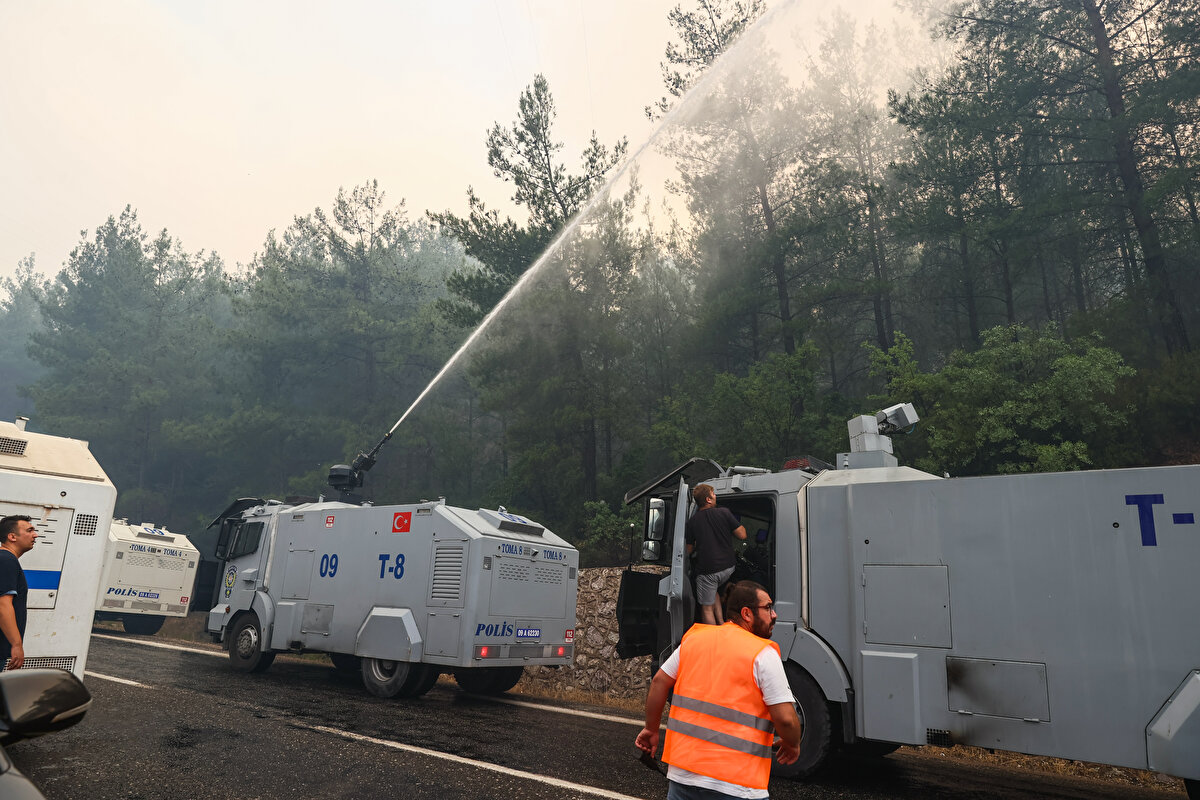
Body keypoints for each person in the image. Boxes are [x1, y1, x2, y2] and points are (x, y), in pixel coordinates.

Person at [635, 581, 802, 800]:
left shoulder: (694, 639)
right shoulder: (762, 654)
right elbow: (787, 720)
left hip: (683, 778)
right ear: (747, 614)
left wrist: (652, 729)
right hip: (737, 786)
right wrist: (792, 743)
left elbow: (658, 682)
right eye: (768, 607)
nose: (774, 614)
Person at [685, 483, 746, 624]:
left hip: (709, 571)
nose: (715, 496)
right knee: (713, 591)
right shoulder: (724, 512)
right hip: (728, 568)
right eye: (713, 494)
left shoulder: (692, 522)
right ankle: (721, 623)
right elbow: (742, 535)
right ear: (708, 499)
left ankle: (714, 636)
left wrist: (697, 543)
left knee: (706, 609)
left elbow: (688, 551)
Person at [0, 515, 37, 670]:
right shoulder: (6, 560)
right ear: (12, 536)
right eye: (30, 530)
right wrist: (16, 645)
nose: (36, 534)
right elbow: (3, 605)